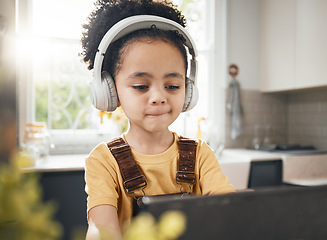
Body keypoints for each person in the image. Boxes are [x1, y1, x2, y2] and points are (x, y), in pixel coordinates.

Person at [81, 0, 235, 239]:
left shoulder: (201, 155)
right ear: (110, 91)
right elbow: (101, 228)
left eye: (172, 85)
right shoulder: (103, 161)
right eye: (141, 86)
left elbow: (231, 212)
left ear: (188, 91)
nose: (158, 97)